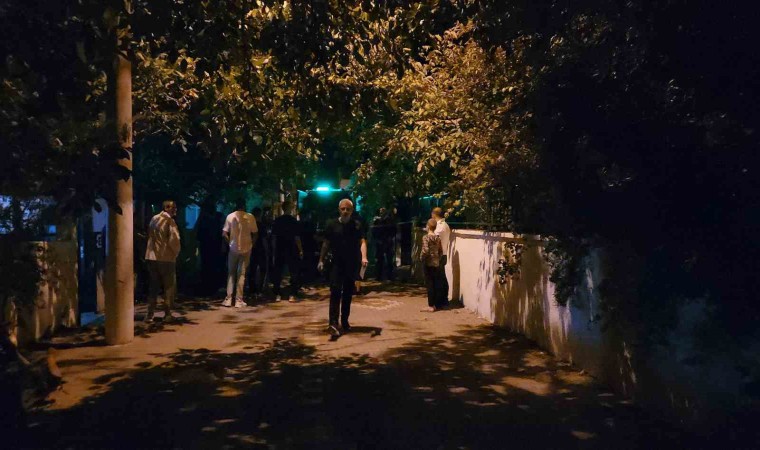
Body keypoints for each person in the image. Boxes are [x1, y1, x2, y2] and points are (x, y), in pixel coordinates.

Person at [318, 199, 368, 337]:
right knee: (335, 291)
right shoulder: (331, 224)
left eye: (348, 209)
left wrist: (364, 257)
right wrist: (321, 260)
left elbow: (362, 242)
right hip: (336, 263)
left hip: (351, 263)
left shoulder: (356, 225)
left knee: (347, 293)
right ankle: (333, 323)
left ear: (352, 210)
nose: (345, 211)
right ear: (339, 209)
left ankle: (345, 321)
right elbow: (326, 243)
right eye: (343, 209)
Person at [144, 200, 181, 322]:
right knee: (168, 287)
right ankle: (168, 314)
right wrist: (176, 253)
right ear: (166, 208)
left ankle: (150, 314)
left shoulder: (154, 219)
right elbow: (174, 241)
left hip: (151, 257)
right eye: (172, 207)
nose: (175, 209)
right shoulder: (169, 221)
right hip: (166, 258)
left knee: (153, 286)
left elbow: (149, 234)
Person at [222, 199, 258, 308]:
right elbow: (255, 233)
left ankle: (228, 299)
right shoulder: (250, 217)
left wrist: (230, 243)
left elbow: (224, 233)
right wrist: (252, 244)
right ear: (244, 206)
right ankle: (239, 300)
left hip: (233, 249)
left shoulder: (230, 216)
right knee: (241, 274)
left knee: (231, 273)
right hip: (246, 248)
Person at [271, 200, 303, 302]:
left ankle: (277, 293)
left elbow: (274, 237)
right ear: (289, 208)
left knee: (278, 271)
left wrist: (273, 249)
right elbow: (297, 237)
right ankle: (292, 294)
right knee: (293, 271)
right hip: (291, 248)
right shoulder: (293, 221)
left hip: (280, 248)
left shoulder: (277, 221)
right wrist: (300, 249)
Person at [420, 218, 444, 312]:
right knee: (435, 283)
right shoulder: (438, 238)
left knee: (429, 284)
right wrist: (437, 258)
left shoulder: (426, 237)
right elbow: (441, 251)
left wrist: (422, 257)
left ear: (428, 226)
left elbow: (425, 250)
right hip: (436, 263)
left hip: (428, 262)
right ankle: (436, 304)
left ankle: (430, 305)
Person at [431, 207, 451, 308]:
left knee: (438, 278)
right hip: (443, 253)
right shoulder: (445, 225)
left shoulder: (440, 226)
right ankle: (443, 300)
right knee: (442, 277)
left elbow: (434, 239)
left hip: (439, 254)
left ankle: (440, 301)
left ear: (434, 214)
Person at [248, 207, 268, 301]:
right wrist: (267, 250)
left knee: (252, 269)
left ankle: (252, 289)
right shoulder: (261, 226)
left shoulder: (249, 225)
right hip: (261, 249)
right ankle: (259, 289)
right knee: (262, 269)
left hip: (251, 249)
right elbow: (264, 239)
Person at [372, 207, 396, 281]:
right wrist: (377, 239)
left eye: (383, 211)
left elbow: (394, 230)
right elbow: (374, 230)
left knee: (389, 260)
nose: (381, 212)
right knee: (379, 260)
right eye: (380, 211)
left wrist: (390, 238)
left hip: (388, 242)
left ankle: (390, 276)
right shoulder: (376, 220)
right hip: (380, 242)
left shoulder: (389, 220)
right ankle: (378, 276)